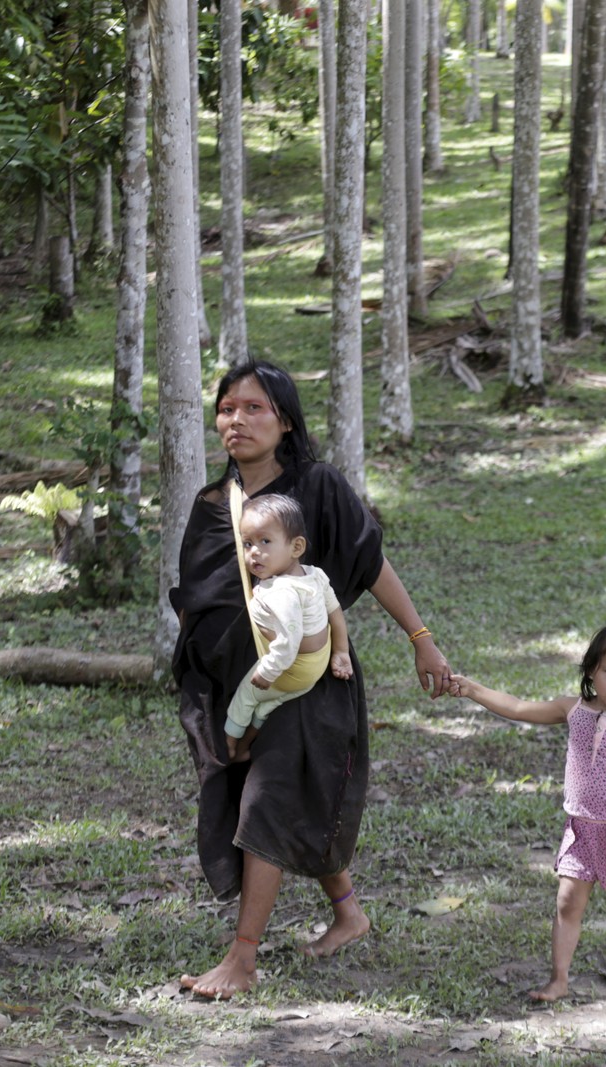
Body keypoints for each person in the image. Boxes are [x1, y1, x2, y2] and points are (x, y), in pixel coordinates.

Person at [171, 360, 451, 999]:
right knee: (260, 796)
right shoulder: (213, 506)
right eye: (227, 409)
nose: (236, 420)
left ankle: (241, 960)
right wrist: (202, 689)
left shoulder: (318, 488)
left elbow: (370, 563)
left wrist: (421, 641)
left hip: (308, 680)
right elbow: (195, 598)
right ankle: (349, 912)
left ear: (285, 421)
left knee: (270, 801)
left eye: (254, 408)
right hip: (235, 688)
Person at [446, 612, 606, 1002]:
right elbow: (520, 707)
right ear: (591, 669)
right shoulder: (573, 709)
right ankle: (559, 978)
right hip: (581, 828)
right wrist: (474, 690)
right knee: (567, 901)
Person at [223, 494, 353, 763]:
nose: (254, 552)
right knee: (268, 703)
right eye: (247, 544)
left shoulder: (282, 593)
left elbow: (289, 641)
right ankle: (247, 746)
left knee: (246, 696)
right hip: (315, 667)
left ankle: (229, 747)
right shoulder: (313, 575)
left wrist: (268, 670)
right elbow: (335, 612)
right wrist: (341, 651)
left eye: (265, 541)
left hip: (293, 667)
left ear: (296, 547)